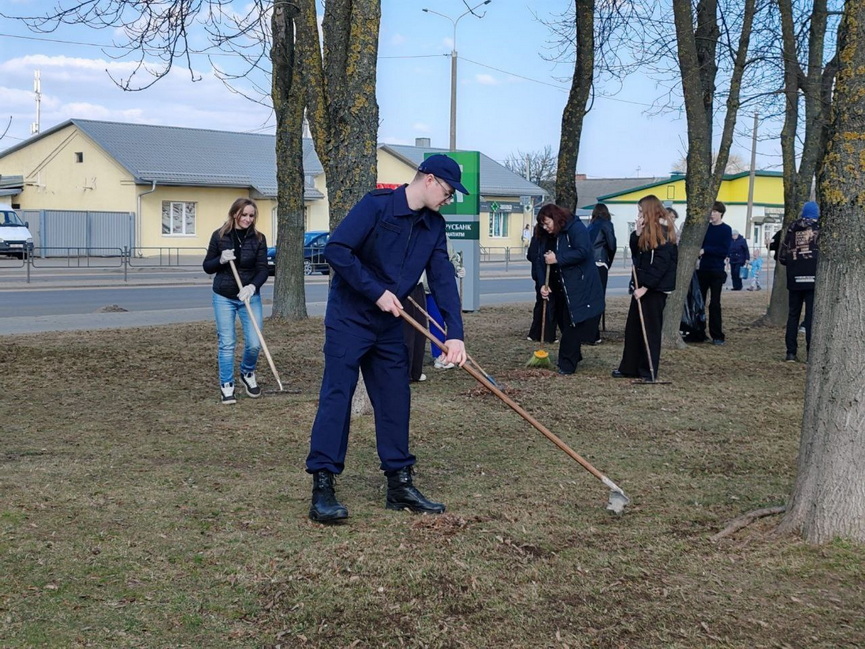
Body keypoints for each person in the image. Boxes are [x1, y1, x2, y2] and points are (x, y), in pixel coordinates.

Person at [305, 154, 467, 523]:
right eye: (446, 190)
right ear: (427, 180)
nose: (449, 198)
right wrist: (375, 291)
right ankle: (323, 485)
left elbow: (442, 279)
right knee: (337, 396)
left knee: (396, 398)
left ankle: (399, 484)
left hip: (390, 326)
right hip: (350, 318)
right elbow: (337, 250)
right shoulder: (376, 206)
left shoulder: (433, 226)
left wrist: (454, 336)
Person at [202, 198, 269, 405]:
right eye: (244, 215)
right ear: (234, 214)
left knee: (254, 343)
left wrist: (252, 287)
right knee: (227, 343)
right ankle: (227, 385)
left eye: (251, 215)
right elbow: (207, 267)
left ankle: (247, 373)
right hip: (224, 296)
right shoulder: (220, 236)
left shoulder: (258, 239)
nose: (248, 219)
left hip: (249, 296)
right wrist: (220, 259)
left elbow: (263, 269)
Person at [533, 203, 605, 375]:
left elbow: (583, 252)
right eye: (542, 224)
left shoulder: (575, 228)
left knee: (572, 323)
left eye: (547, 223)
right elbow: (540, 260)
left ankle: (567, 364)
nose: (545, 227)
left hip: (578, 284)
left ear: (556, 218)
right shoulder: (544, 235)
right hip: (558, 285)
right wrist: (543, 283)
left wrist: (558, 258)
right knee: (562, 321)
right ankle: (574, 354)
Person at [613, 195, 678, 381]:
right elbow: (636, 254)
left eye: (641, 211)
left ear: (650, 211)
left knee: (650, 329)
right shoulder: (648, 231)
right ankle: (629, 367)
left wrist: (646, 287)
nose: (639, 215)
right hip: (641, 286)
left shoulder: (664, 232)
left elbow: (661, 264)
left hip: (655, 290)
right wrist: (637, 234)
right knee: (633, 328)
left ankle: (648, 370)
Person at [779, 201, 820, 362]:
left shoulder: (792, 229)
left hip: (794, 278)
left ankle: (791, 352)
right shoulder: (819, 229)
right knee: (810, 317)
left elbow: (782, 256)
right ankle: (811, 353)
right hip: (813, 278)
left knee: (793, 315)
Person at [697, 200, 733, 345]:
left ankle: (717, 335)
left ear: (721, 214)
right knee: (700, 302)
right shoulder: (705, 228)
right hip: (703, 269)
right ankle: (699, 332)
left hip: (717, 270)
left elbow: (724, 250)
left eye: (715, 212)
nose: (712, 215)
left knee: (714, 303)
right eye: (711, 212)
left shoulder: (726, 229)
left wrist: (706, 250)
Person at [585, 203, 617, 345]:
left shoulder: (590, 226)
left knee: (589, 299)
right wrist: (608, 262)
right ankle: (592, 334)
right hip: (600, 262)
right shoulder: (607, 225)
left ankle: (590, 332)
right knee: (598, 299)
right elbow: (612, 245)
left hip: (588, 264)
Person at [525, 219, 558, 343]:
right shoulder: (546, 239)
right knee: (548, 304)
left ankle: (535, 333)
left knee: (540, 303)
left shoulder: (536, 238)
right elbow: (532, 256)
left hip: (540, 274)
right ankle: (548, 335)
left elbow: (530, 255)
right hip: (544, 275)